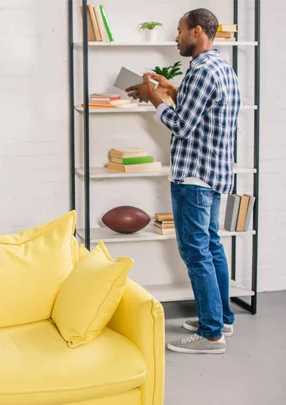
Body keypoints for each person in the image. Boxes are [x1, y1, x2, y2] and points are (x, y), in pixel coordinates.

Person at [126, 8, 240, 354]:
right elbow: (202, 114)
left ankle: (210, 335)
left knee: (195, 252)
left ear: (196, 32)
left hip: (194, 176)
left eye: (179, 31)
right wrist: (173, 89)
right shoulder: (220, 67)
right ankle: (221, 318)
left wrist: (153, 98)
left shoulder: (202, 71)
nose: (175, 38)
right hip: (215, 173)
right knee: (211, 246)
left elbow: (182, 126)